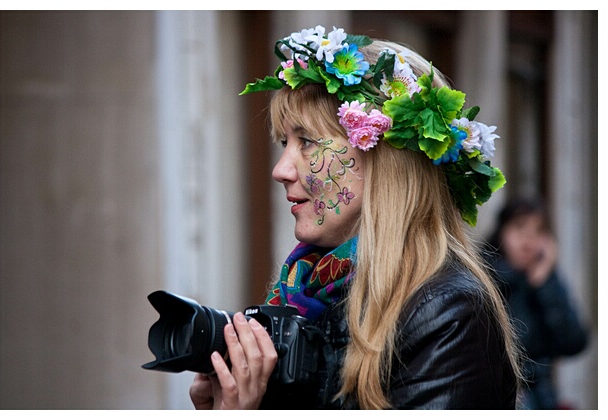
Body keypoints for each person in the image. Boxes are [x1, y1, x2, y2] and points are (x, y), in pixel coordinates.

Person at [189, 25, 523, 409]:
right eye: (286, 143)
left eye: (308, 142)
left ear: (382, 159)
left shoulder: (447, 312)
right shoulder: (309, 290)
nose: (281, 169)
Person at [487, 197, 588, 409]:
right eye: (520, 230)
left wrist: (543, 284)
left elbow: (575, 341)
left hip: (542, 399)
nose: (528, 242)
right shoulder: (486, 279)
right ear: (501, 232)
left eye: (537, 232)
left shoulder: (543, 280)